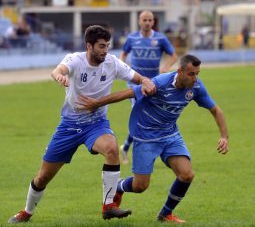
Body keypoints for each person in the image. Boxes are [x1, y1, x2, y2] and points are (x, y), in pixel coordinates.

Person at [8, 25, 155, 224]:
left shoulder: (112, 63)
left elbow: (138, 78)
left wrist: (146, 81)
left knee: (112, 148)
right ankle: (26, 212)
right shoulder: (75, 60)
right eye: (101, 46)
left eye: (107, 46)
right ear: (89, 46)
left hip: (96, 124)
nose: (105, 50)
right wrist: (59, 76)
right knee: (43, 177)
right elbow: (58, 70)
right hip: (69, 125)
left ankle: (109, 206)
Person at [77, 54, 229, 223]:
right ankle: (119, 186)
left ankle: (165, 214)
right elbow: (127, 94)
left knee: (186, 175)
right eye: (191, 74)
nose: (195, 78)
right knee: (140, 186)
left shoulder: (197, 88)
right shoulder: (159, 84)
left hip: (170, 135)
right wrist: (96, 103)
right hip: (145, 137)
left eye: (197, 73)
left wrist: (224, 136)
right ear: (179, 72)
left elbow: (216, 110)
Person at [119, 10, 178, 164]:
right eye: (144, 20)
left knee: (149, 118)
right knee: (140, 117)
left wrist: (165, 68)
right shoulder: (132, 38)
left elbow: (173, 55)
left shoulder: (160, 38)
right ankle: (142, 153)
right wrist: (124, 68)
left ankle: (126, 147)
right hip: (136, 84)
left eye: (150, 20)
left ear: (153, 22)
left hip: (153, 84)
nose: (147, 22)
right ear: (139, 21)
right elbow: (123, 55)